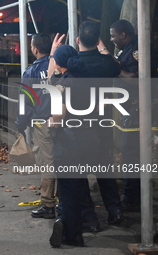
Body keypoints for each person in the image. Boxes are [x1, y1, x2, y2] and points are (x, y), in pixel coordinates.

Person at [48, 44, 99, 248]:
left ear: (59, 63)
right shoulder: (89, 80)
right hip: (90, 140)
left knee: (68, 189)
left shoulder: (63, 84)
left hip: (69, 142)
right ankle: (75, 224)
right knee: (78, 187)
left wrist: (51, 121)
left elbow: (59, 114)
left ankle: (73, 234)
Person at [76, 21, 123, 229]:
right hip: (103, 124)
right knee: (105, 169)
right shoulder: (107, 64)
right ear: (97, 41)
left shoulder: (74, 63)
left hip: (79, 127)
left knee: (79, 173)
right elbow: (115, 65)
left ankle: (89, 218)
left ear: (78, 40)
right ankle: (115, 210)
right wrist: (102, 47)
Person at [15, 33, 56, 219]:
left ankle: (48, 204)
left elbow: (26, 102)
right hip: (63, 120)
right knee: (63, 158)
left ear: (35, 49)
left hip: (42, 122)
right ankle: (65, 199)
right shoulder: (59, 65)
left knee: (46, 162)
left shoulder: (31, 72)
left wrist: (20, 123)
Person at [110, 20, 140, 212]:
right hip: (128, 109)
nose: (112, 39)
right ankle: (132, 195)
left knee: (132, 155)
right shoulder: (125, 49)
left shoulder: (136, 50)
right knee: (130, 155)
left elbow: (135, 79)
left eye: (113, 35)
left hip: (136, 110)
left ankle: (132, 199)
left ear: (123, 34)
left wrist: (116, 68)